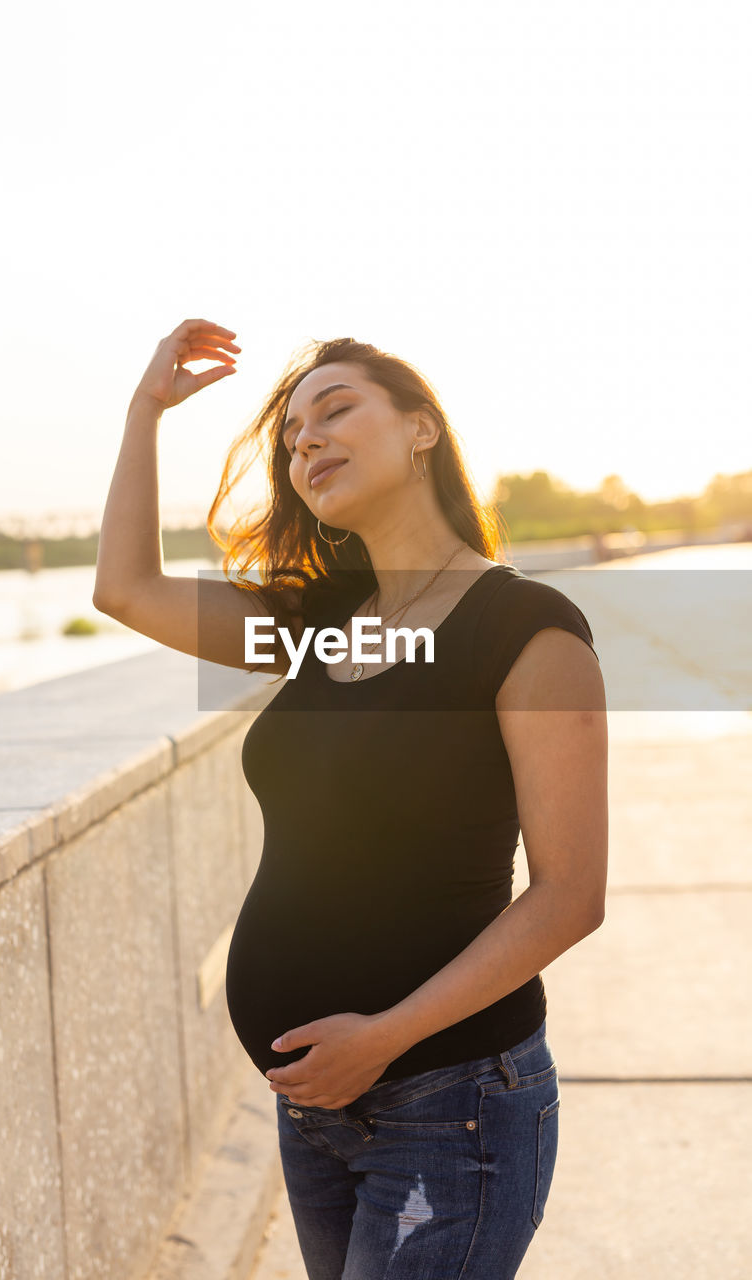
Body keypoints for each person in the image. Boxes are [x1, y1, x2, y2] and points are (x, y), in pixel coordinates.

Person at [93, 317, 608, 1280]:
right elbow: (125, 589)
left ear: (422, 430)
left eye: (335, 411)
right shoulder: (321, 622)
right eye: (291, 438)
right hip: (316, 1108)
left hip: (450, 1104)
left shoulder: (527, 628)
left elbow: (570, 894)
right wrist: (144, 412)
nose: (306, 442)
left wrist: (384, 1038)